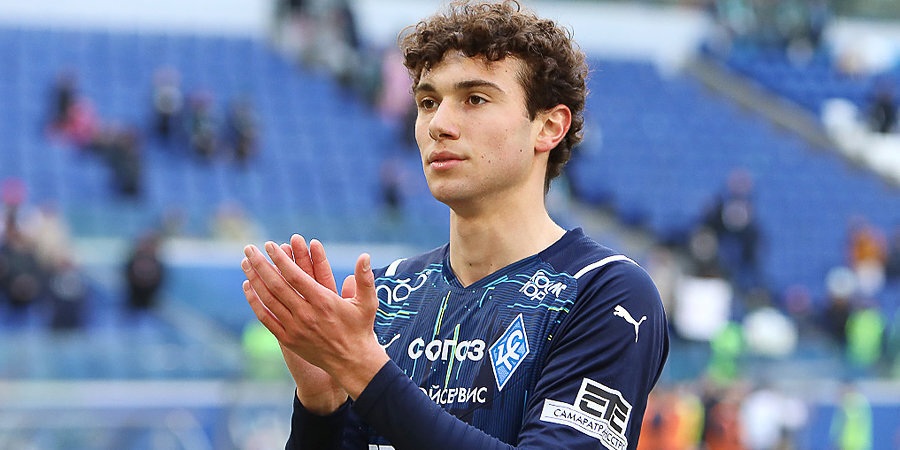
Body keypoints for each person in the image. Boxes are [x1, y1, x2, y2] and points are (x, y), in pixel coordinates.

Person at [240, 1, 668, 448]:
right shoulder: (384, 297)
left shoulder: (605, 291)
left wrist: (363, 369)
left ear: (548, 127)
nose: (438, 124)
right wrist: (320, 408)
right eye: (428, 102)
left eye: (475, 99)